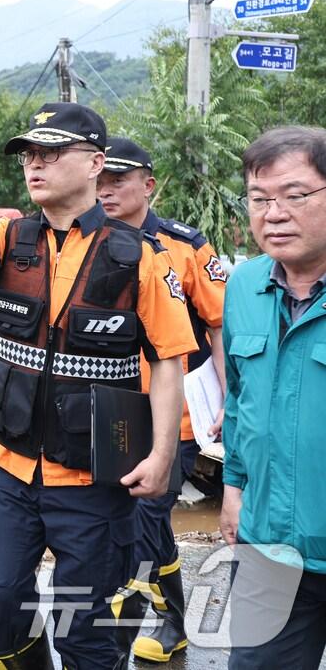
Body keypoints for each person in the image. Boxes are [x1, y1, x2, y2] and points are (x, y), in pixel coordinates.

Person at [0, 101, 196, 670]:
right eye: (30, 154)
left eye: (52, 153)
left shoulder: (139, 258)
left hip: (94, 476)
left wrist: (161, 455)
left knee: (86, 631)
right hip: (13, 469)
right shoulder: (14, 239)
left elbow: (167, 362)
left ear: (94, 164)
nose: (35, 164)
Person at [95, 136, 227, 663]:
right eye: (100, 181)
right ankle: (150, 614)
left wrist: (231, 400)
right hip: (107, 413)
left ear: (147, 185)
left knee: (149, 518)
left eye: (118, 182)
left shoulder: (185, 246)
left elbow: (220, 327)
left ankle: (160, 623)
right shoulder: (82, 242)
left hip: (176, 414)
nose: (106, 192)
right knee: (118, 522)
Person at [220, 125, 326, 669]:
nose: (274, 213)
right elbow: (240, 401)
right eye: (260, 199)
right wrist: (234, 487)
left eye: (296, 195)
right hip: (269, 548)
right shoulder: (244, 286)